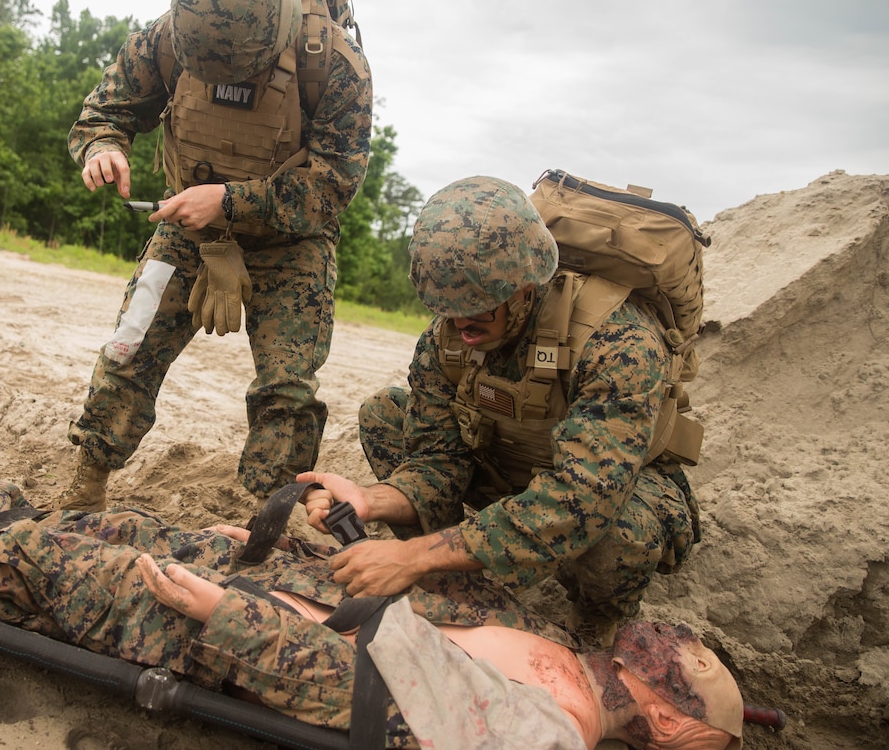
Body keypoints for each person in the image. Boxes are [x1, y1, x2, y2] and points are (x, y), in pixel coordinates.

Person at [0, 397, 741, 749]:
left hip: (235, 633)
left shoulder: (541, 731)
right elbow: (426, 606)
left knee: (46, 567)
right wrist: (298, 552)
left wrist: (225, 613)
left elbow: (356, 693)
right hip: (283, 596)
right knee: (115, 524)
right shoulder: (564, 660)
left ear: (672, 726)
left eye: (697, 672)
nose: (688, 644)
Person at [297, 176, 702, 648]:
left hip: (606, 489)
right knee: (384, 414)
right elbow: (437, 463)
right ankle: (456, 575)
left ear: (526, 287)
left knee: (622, 534)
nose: (460, 325)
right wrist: (374, 500)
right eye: (445, 309)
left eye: (478, 309)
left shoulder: (618, 341)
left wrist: (414, 556)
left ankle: (594, 617)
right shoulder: (447, 336)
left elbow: (582, 501)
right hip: (510, 468)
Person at [55, 0, 372, 511]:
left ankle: (264, 517)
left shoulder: (335, 65)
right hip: (186, 225)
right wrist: (104, 146)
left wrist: (229, 202)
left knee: (288, 392)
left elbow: (333, 186)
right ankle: (87, 481)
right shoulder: (171, 35)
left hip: (289, 241)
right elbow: (106, 109)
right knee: (130, 347)